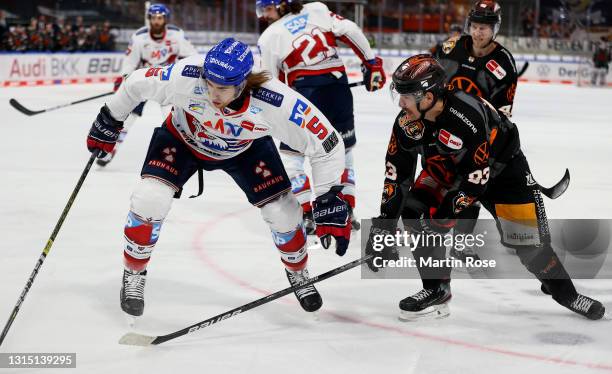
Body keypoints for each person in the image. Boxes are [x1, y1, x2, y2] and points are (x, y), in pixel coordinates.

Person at [85, 38, 353, 318]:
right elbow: (134, 83)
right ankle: (134, 272)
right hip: (182, 138)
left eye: (222, 88)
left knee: (285, 214)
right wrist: (110, 118)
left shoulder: (277, 101)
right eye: (208, 84)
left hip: (246, 149)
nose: (213, 94)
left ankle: (298, 272)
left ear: (243, 83)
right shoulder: (185, 74)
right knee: (149, 199)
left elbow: (328, 142)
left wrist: (327, 196)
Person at [365, 54, 605, 321]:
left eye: (406, 96)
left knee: (529, 245)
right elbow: (396, 177)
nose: (400, 103)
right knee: (413, 214)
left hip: (503, 171)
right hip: (446, 171)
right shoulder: (406, 123)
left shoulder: (465, 116)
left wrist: (443, 217)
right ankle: (436, 290)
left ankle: (566, 293)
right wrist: (383, 227)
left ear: (429, 97)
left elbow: (475, 181)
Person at [256, 0, 386, 233]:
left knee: (291, 156)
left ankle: (307, 213)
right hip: (339, 89)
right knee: (343, 151)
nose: (264, 15)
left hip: (307, 96)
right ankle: (346, 209)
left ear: (282, 6)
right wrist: (371, 63)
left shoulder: (269, 36)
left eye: (267, 9)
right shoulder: (316, 8)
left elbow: (271, 84)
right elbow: (350, 31)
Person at [432, 0, 519, 262]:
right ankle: (427, 236)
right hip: (442, 129)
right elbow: (430, 79)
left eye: (485, 27)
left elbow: (502, 113)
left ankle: (462, 244)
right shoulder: (451, 47)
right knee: (436, 183)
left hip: (477, 136)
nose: (479, 32)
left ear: (496, 29)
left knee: (474, 191)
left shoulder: (503, 62)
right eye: (475, 26)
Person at [98, 3, 198, 167]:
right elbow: (130, 63)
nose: (157, 21)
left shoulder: (177, 36)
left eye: (160, 18)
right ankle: (110, 149)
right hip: (143, 80)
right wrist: (123, 79)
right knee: (127, 117)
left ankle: (181, 155)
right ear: (149, 19)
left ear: (165, 19)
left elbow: (192, 57)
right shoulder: (139, 38)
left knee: (173, 119)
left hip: (168, 81)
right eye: (154, 18)